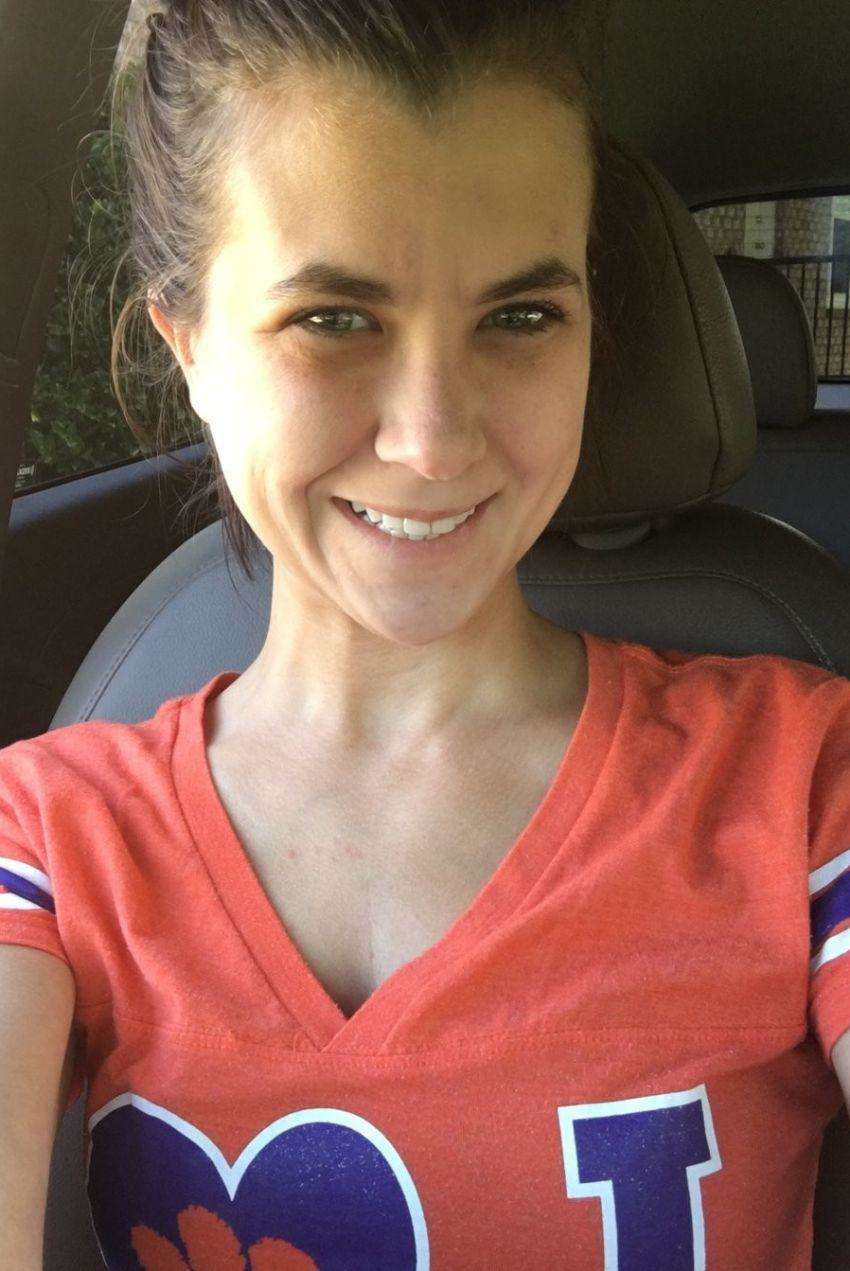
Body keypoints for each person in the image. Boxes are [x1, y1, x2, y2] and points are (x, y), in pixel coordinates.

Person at [1, 1, 849, 1267]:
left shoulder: (801, 782)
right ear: (189, 346)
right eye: (333, 319)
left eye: (520, 317)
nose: (434, 439)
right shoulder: (48, 837)